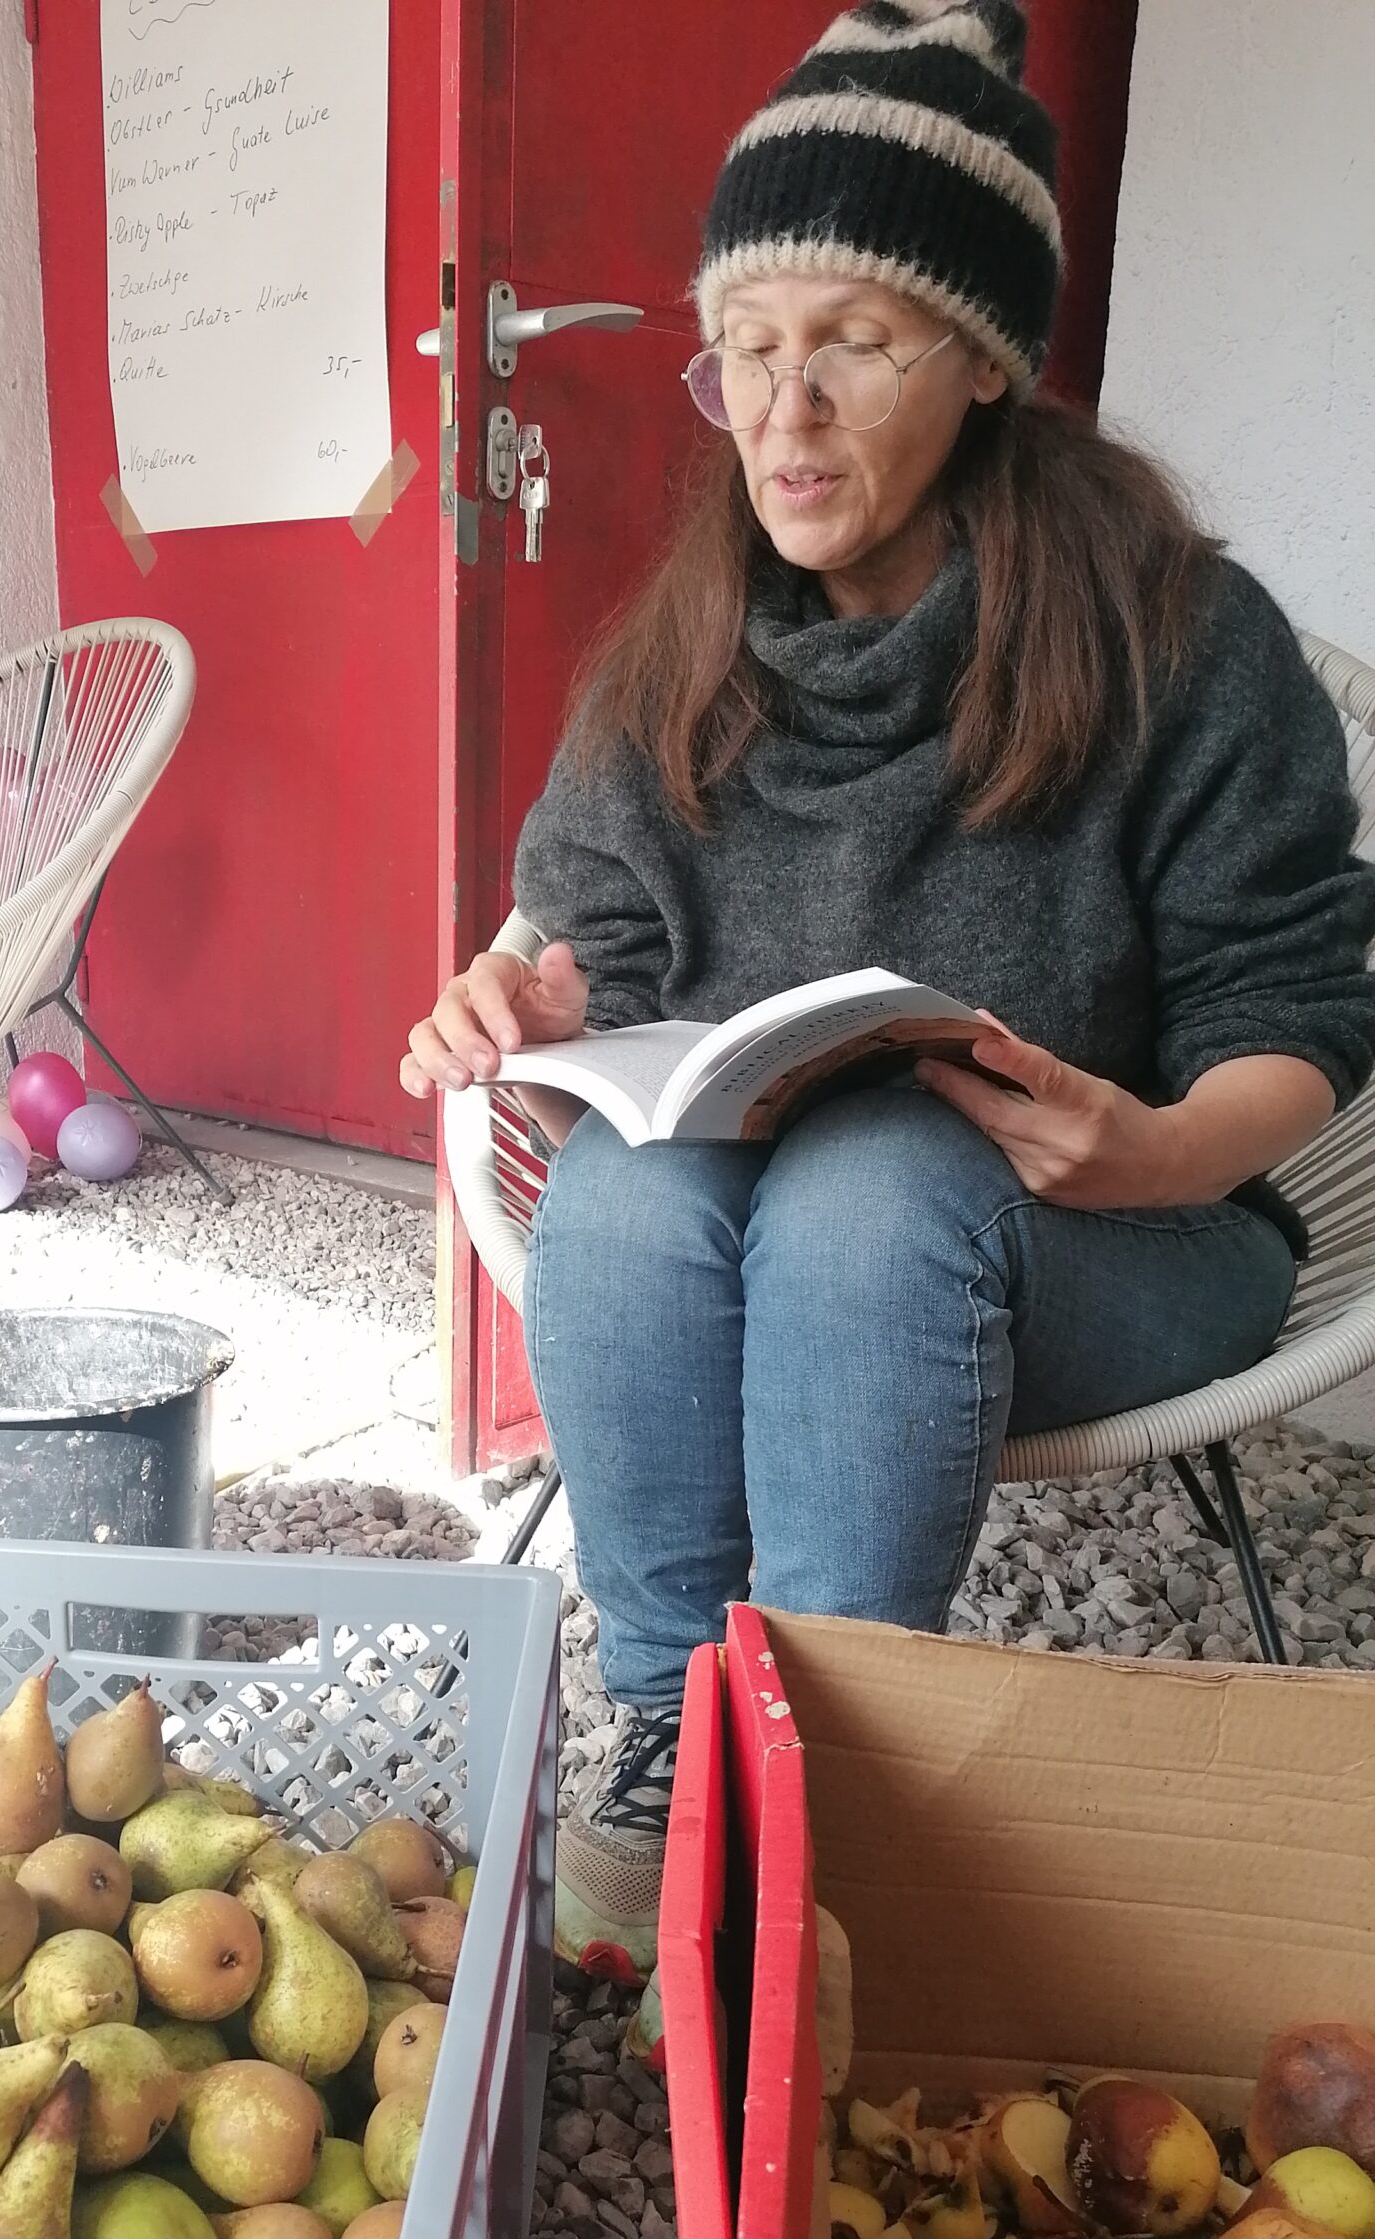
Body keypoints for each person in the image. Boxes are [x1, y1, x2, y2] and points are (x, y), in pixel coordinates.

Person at [401, 0, 1375, 1984]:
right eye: (745, 349)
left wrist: (1154, 1144)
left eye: (851, 340)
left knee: (876, 1187)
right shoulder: (686, 638)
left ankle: (829, 1774)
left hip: (1133, 1226)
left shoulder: (1178, 635)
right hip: (770, 1222)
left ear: (988, 354)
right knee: (622, 1186)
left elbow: (1301, 1011)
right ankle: (670, 1726)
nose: (786, 412)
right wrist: (528, 997)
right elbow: (594, 936)